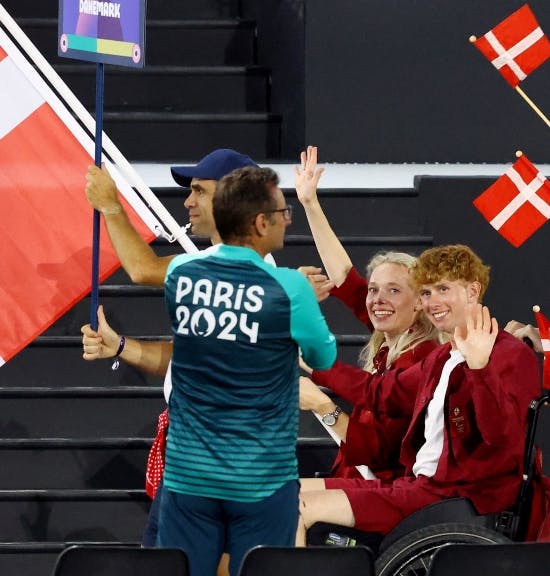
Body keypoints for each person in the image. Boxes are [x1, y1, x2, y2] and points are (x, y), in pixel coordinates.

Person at [157, 165, 336, 576]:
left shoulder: (180, 274)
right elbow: (323, 360)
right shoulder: (290, 288)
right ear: (260, 223)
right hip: (263, 481)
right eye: (282, 211)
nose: (286, 219)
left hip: (188, 478)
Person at [296, 244, 540, 544]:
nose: (432, 301)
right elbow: (380, 392)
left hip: (461, 499)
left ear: (473, 291)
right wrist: (317, 360)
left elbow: (502, 440)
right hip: (417, 487)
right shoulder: (441, 357)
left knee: (297, 508)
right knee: (284, 496)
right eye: (425, 293)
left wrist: (479, 370)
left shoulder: (511, 354)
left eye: (442, 289)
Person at [294, 146, 440, 480]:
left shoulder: (423, 355)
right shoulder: (395, 335)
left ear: (419, 302)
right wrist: (310, 204)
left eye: (393, 290)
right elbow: (346, 278)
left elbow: (377, 453)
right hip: (353, 478)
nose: (377, 300)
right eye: (374, 289)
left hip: (385, 493)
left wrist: (323, 405)